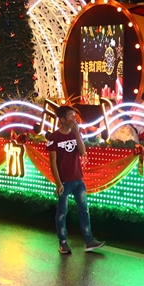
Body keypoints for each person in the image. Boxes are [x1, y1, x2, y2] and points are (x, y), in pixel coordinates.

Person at [48, 106, 105, 254]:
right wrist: (58, 182)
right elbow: (52, 161)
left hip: (78, 179)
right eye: (71, 116)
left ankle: (88, 240)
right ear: (62, 120)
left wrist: (77, 133)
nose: (74, 119)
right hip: (64, 181)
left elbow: (83, 151)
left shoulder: (75, 133)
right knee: (62, 212)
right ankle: (63, 242)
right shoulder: (53, 137)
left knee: (84, 210)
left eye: (74, 115)